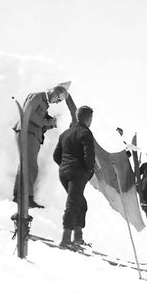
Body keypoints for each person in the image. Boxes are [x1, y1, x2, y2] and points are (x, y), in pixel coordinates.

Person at [14, 85, 69, 208]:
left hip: (33, 134)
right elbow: (28, 114)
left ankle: (21, 196)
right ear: (54, 93)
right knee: (30, 165)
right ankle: (25, 198)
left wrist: (50, 124)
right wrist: (47, 122)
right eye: (59, 99)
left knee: (27, 164)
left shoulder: (44, 103)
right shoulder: (37, 97)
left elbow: (39, 122)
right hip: (27, 132)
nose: (57, 102)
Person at [52, 105, 95, 248]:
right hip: (78, 173)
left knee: (81, 203)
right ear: (89, 119)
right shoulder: (86, 133)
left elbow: (56, 156)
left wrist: (65, 166)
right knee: (73, 204)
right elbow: (89, 156)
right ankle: (66, 239)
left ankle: (77, 237)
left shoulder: (65, 134)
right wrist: (89, 171)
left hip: (64, 172)